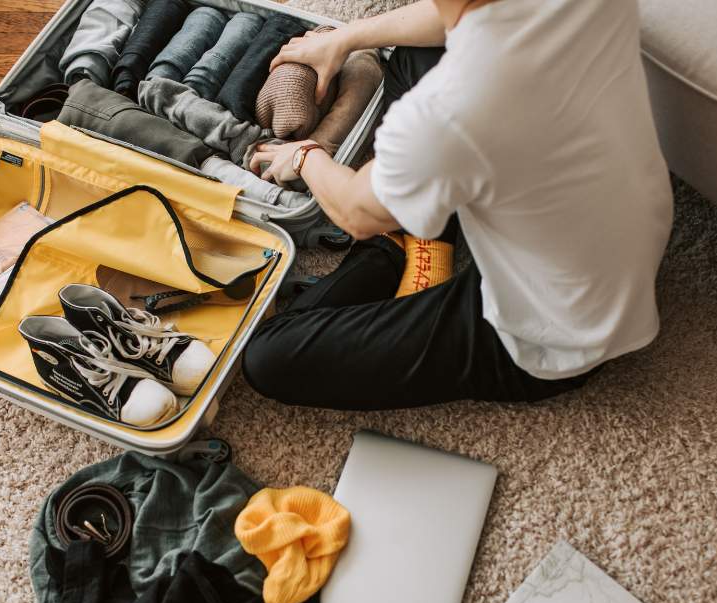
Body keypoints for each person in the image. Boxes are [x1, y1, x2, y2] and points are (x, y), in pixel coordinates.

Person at [241, 0, 674, 411]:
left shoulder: (447, 110)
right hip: (622, 235)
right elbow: (449, 15)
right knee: (414, 54)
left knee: (268, 354)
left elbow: (355, 215)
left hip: (557, 334)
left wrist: (304, 155)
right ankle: (416, 224)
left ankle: (394, 249)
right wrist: (346, 37)